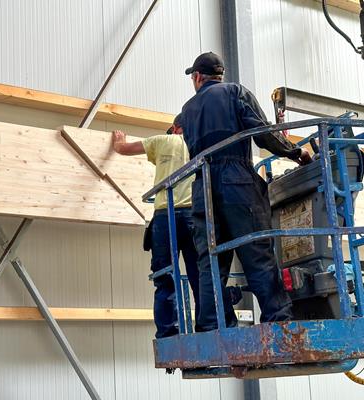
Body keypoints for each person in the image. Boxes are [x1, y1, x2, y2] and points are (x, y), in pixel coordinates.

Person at [180, 52, 312, 331]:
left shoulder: (187, 110)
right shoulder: (235, 92)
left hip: (203, 186)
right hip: (236, 180)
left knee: (211, 261)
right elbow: (264, 132)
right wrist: (295, 152)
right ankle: (278, 321)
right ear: (218, 75)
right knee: (257, 251)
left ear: (198, 77)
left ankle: (210, 326)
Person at [112, 118, 217, 337]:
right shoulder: (200, 146)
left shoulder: (162, 141)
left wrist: (119, 140)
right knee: (200, 276)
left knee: (165, 278)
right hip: (193, 216)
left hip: (164, 217)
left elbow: (122, 149)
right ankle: (207, 330)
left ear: (176, 128)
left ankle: (169, 333)